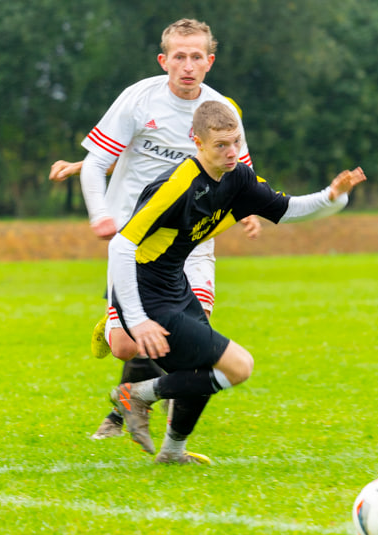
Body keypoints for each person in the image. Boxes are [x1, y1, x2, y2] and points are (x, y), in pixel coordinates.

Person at [107, 100, 366, 463]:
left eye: (236, 143)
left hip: (173, 283)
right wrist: (135, 319)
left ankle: (172, 453)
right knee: (237, 366)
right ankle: (136, 395)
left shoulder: (238, 177)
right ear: (196, 142)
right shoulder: (177, 186)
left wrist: (332, 197)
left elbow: (285, 208)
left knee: (200, 372)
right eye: (221, 145)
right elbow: (121, 245)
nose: (232, 153)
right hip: (144, 290)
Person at [49, 18, 260, 440]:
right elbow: (106, 155)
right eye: (179, 56)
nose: (187, 65)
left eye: (196, 56)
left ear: (209, 61)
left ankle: (151, 422)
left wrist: (250, 209)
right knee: (129, 344)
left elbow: (238, 168)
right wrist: (94, 194)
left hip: (193, 239)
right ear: (164, 60)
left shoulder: (220, 110)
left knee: (190, 340)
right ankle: (124, 380)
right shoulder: (138, 99)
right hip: (138, 236)